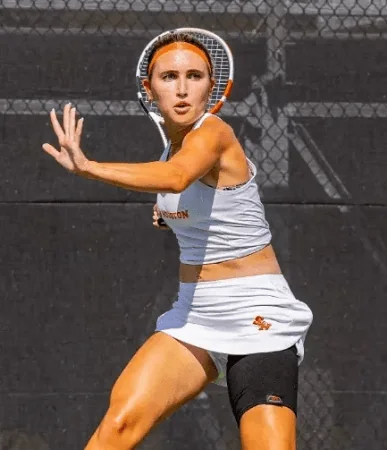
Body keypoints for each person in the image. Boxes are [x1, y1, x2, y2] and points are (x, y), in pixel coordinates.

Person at [41, 31, 313, 450]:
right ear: (149, 90)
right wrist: (168, 217)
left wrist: (90, 167)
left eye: (195, 76)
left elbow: (177, 177)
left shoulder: (213, 133)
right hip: (194, 317)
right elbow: (189, 195)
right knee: (118, 427)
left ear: (215, 88)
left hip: (258, 317)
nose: (183, 88)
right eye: (169, 77)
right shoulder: (175, 148)